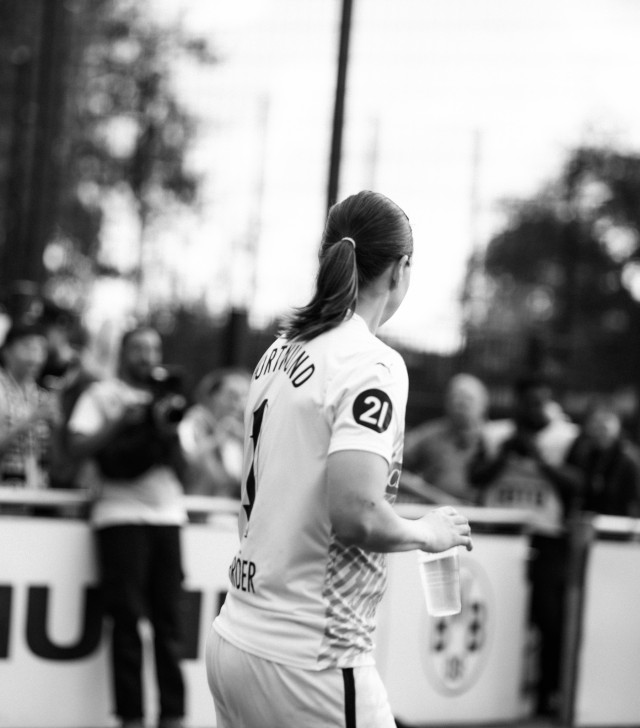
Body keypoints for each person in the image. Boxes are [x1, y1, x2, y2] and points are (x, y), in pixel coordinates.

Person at [205, 190, 473, 728]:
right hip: (312, 659)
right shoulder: (372, 363)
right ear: (399, 269)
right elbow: (357, 514)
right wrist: (430, 532)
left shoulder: (278, 350)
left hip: (235, 637)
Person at [68, 325, 187, 728]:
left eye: (154, 348)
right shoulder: (102, 394)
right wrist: (122, 421)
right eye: (138, 348)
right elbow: (77, 445)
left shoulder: (169, 400)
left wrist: (166, 429)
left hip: (168, 514)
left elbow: (184, 466)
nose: (147, 356)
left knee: (169, 622)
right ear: (123, 352)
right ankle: (131, 717)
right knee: (127, 620)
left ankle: (173, 715)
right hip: (119, 514)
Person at [469, 372, 579, 717]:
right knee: (496, 613)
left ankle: (546, 695)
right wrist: (504, 454)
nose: (534, 408)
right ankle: (489, 694)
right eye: (528, 402)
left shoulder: (566, 437)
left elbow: (578, 483)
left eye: (540, 402)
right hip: (499, 535)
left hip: (547, 536)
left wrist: (540, 459)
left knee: (549, 620)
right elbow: (474, 476)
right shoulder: (494, 434)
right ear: (517, 402)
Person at [401, 373, 489, 504]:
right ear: (447, 402)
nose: (461, 403)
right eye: (456, 397)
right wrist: (434, 497)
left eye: (468, 398)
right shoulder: (429, 435)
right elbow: (394, 469)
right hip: (437, 511)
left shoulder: (496, 439)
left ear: (484, 404)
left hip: (488, 513)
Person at [0, 321, 61, 490]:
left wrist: (57, 426)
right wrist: (31, 419)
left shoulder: (40, 394)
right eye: (28, 347)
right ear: (7, 351)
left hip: (35, 488)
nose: (35, 357)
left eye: (41, 349)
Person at [179, 367, 250, 498]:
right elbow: (189, 459)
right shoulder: (194, 420)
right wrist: (217, 439)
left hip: (229, 503)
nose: (239, 404)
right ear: (214, 395)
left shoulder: (241, 428)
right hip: (197, 502)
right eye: (232, 396)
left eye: (244, 397)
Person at [566, 396, 640, 517]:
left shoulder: (628, 459)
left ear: (618, 424)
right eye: (596, 422)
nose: (600, 429)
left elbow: (634, 503)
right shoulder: (585, 453)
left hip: (620, 523)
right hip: (590, 520)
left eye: (606, 420)